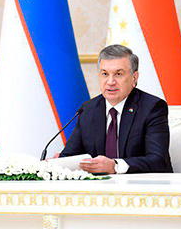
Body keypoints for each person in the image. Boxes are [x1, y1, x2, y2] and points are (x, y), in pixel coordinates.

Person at [59, 44, 173, 174]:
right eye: (105, 74)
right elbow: (69, 155)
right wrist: (58, 164)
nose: (110, 81)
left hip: (142, 185)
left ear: (134, 78)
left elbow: (158, 161)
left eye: (118, 74)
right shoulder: (89, 109)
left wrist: (115, 166)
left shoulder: (152, 107)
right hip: (100, 186)